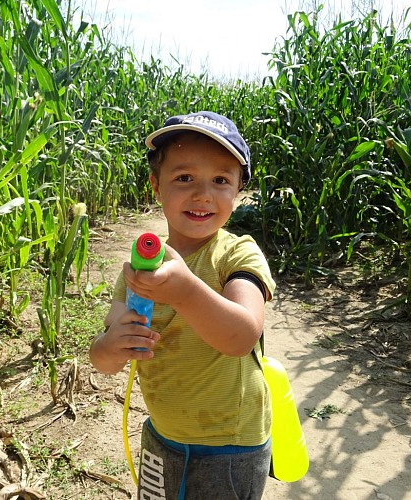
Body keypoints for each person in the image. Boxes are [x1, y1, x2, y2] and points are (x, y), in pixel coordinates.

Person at [89, 111, 276, 500]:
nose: (203, 194)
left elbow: (241, 335)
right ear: (157, 186)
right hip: (164, 434)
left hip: (230, 446)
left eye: (221, 180)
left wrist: (184, 291)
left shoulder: (237, 254)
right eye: (184, 178)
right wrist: (108, 348)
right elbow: (107, 359)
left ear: (239, 190)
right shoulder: (141, 269)